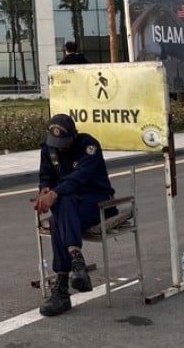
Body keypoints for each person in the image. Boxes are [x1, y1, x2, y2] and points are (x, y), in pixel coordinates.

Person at [33, 113, 115, 317]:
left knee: (57, 217)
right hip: (69, 207)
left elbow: (80, 178)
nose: (60, 147)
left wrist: (55, 193)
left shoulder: (89, 146)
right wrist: (45, 189)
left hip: (95, 203)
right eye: (56, 143)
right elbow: (46, 175)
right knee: (62, 207)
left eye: (64, 142)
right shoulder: (49, 149)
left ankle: (61, 289)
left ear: (74, 135)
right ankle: (76, 259)